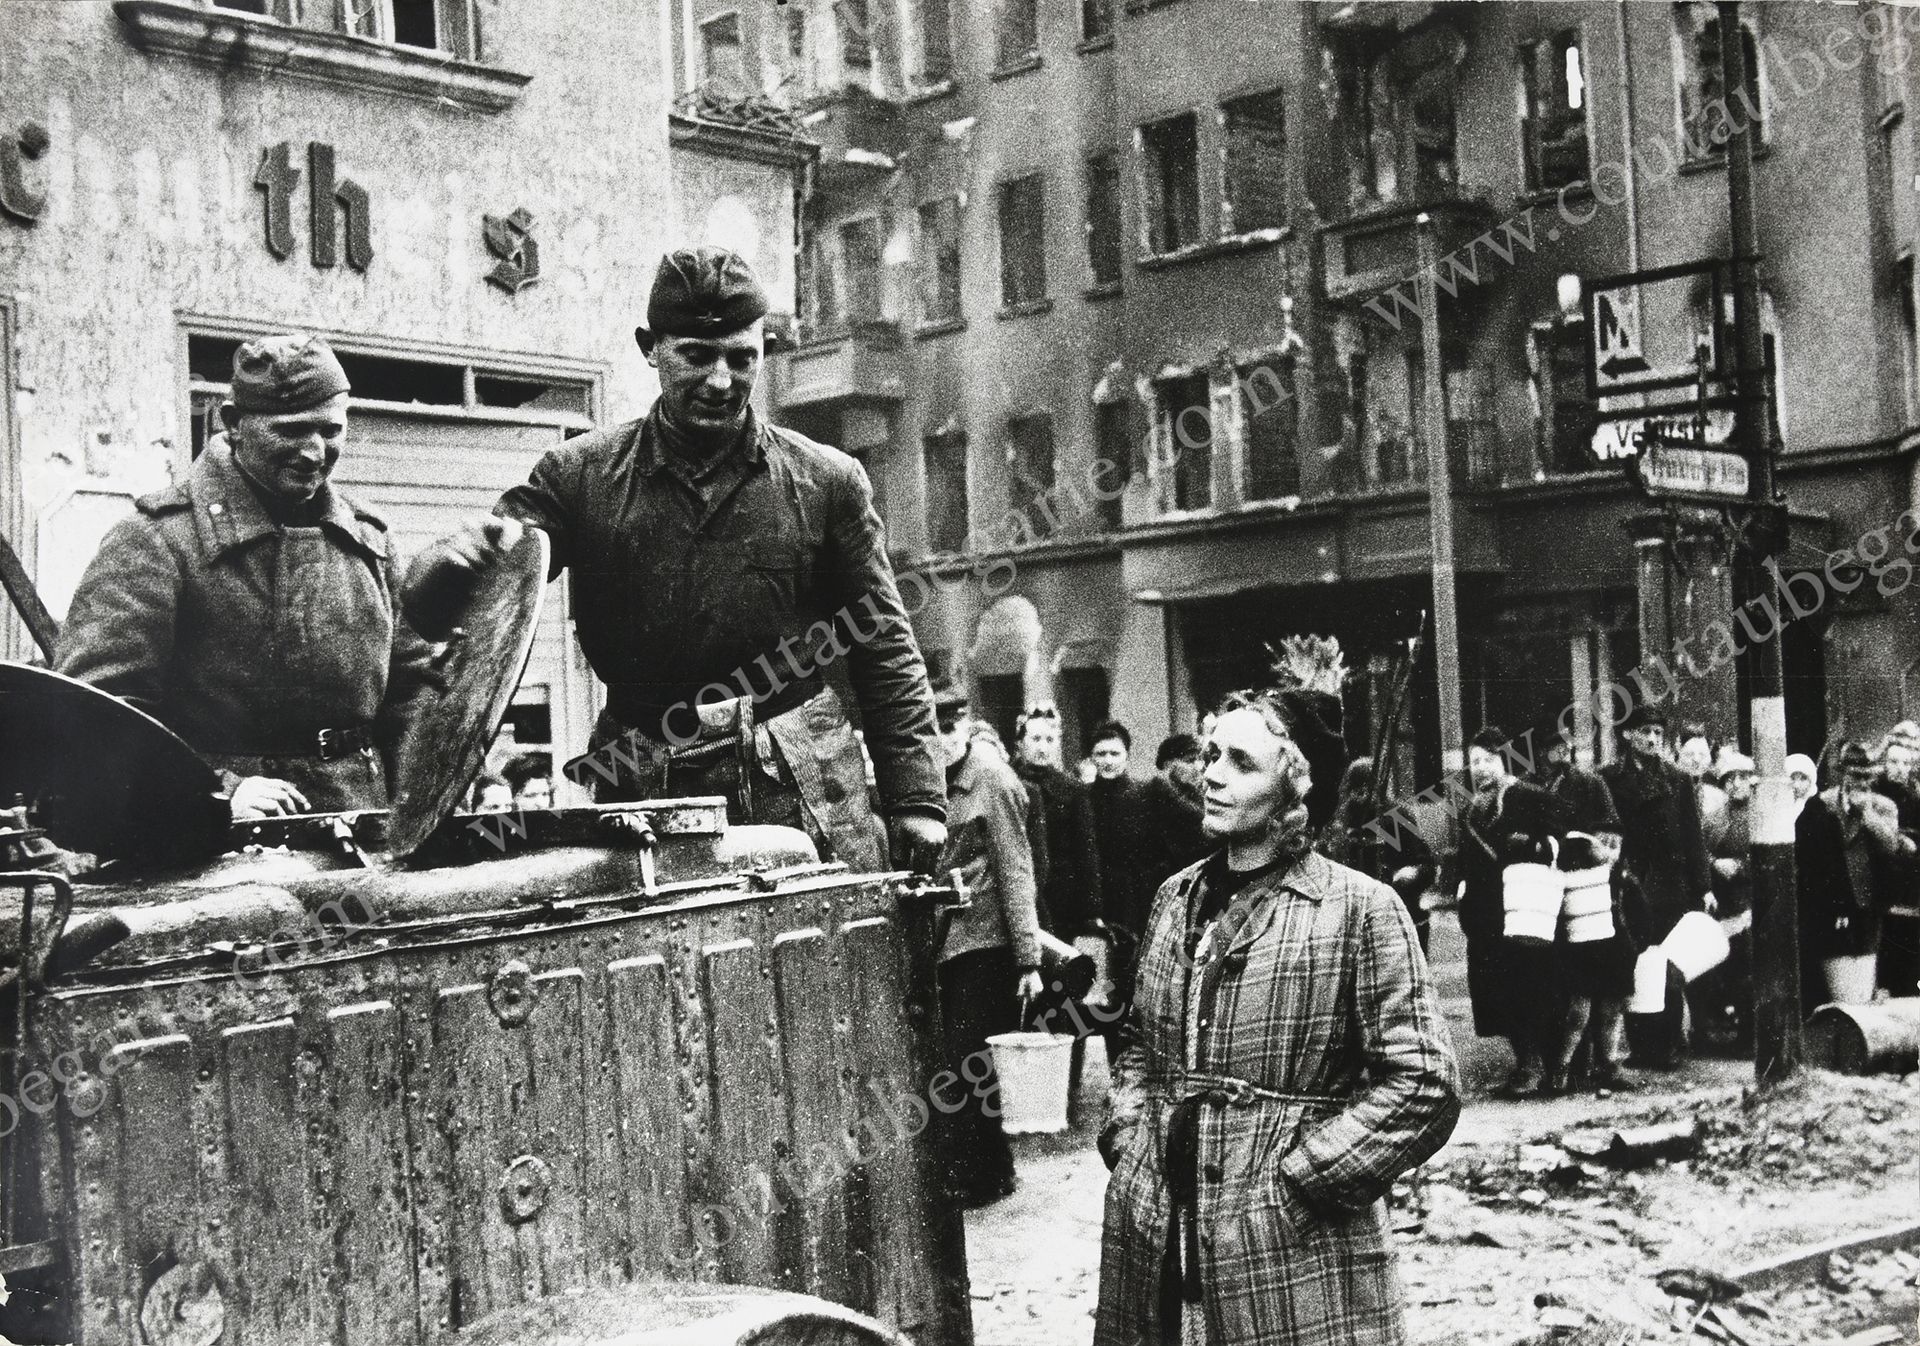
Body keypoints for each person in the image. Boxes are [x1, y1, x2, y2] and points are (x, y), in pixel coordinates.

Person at [403, 248, 945, 872]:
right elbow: (486, 606)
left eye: (742, 359)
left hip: (799, 781)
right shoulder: (576, 478)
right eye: (696, 355)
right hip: (641, 782)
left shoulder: (828, 481)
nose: (721, 381)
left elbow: (882, 643)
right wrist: (445, 571)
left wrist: (918, 800)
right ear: (650, 348)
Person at [1096, 688, 1458, 1346]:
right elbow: (1138, 1046)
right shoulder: (1175, 897)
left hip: (1290, 1254)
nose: (1211, 773)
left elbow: (1423, 1084)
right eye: (1211, 754)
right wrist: (1128, 1143)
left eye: (1241, 761)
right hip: (1158, 1234)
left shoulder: (1358, 910)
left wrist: (1297, 1185)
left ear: (1296, 790)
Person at [55, 334, 432, 821]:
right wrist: (216, 791)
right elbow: (98, 715)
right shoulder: (156, 540)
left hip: (365, 827)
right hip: (214, 845)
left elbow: (414, 694)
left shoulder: (369, 542)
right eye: (291, 431)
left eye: (331, 430)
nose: (315, 452)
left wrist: (434, 795)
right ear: (233, 424)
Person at [930, 683, 1044, 1208]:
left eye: (947, 728)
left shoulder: (992, 779)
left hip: (986, 940)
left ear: (963, 726)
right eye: (928, 732)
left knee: (964, 1059)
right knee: (965, 1062)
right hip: (944, 942)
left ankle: (978, 1176)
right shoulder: (935, 781)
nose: (939, 741)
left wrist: (1028, 959)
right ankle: (992, 1170)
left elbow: (1016, 869)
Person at [1454, 725, 1572, 1097]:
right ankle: (1526, 1062)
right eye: (1474, 762)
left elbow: (1558, 842)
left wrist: (1532, 845)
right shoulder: (1471, 808)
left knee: (1532, 986)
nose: (1480, 768)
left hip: (1525, 909)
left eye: (1488, 760)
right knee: (1499, 992)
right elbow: (1467, 858)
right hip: (1486, 914)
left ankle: (1540, 1067)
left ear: (1504, 760)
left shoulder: (1528, 795)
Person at [1602, 704, 1714, 1069]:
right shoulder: (1610, 778)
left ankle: (1667, 1046)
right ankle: (1640, 1047)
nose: (1651, 739)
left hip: (1670, 886)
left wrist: (1704, 886)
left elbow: (1693, 836)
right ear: (1628, 736)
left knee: (1668, 964)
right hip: (1629, 883)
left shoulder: (1677, 779)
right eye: (1645, 732)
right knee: (1636, 964)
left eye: (1657, 734)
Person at [1538, 728, 1641, 1095]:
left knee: (1611, 991)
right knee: (1575, 999)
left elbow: (1612, 833)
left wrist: (1602, 851)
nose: (1558, 753)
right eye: (1550, 747)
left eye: (1562, 746)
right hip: (1562, 903)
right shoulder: (1535, 789)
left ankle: (1608, 1063)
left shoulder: (1592, 784)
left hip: (1600, 898)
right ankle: (1563, 1068)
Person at [1797, 741, 1917, 1008]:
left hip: (1868, 904)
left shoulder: (1883, 806)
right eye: (1854, 776)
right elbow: (1809, 857)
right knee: (1839, 985)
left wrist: (1866, 814)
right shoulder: (1822, 805)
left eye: (1866, 777)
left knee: (1864, 980)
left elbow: (1891, 847)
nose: (1861, 783)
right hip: (1832, 907)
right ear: (1842, 775)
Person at [1321, 755, 1437, 953]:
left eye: (1367, 789)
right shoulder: (1339, 822)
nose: (1361, 796)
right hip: (1354, 925)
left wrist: (1412, 873)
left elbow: (1426, 866)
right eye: (1356, 790)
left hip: (1399, 916)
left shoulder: (1398, 817)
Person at [1011, 705, 1105, 939]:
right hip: (1019, 891)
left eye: (1050, 740)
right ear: (1020, 743)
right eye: (1035, 739)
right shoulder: (1008, 784)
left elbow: (1086, 851)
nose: (1043, 748)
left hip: (1062, 898)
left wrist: (1091, 911)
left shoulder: (1073, 790)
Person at [1695, 748, 1757, 1054]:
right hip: (1724, 903)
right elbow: (1700, 852)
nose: (1735, 784)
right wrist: (1714, 864)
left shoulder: (1762, 815)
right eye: (1729, 779)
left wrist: (1742, 866)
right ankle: (1719, 1031)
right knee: (1727, 968)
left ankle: (1750, 1034)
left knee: (1750, 971)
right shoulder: (1714, 818)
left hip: (1755, 902)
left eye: (1742, 778)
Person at [1088, 720, 1156, 939]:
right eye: (1101, 754)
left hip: (1137, 899)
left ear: (1127, 756)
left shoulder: (1144, 794)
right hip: (1098, 900)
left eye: (1115, 754)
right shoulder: (1083, 798)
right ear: (1091, 757)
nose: (1108, 761)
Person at [1140, 733, 1209, 888]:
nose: (1199, 766)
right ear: (1168, 764)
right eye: (1190, 760)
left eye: (1200, 759)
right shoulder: (1158, 794)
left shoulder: (1199, 794)